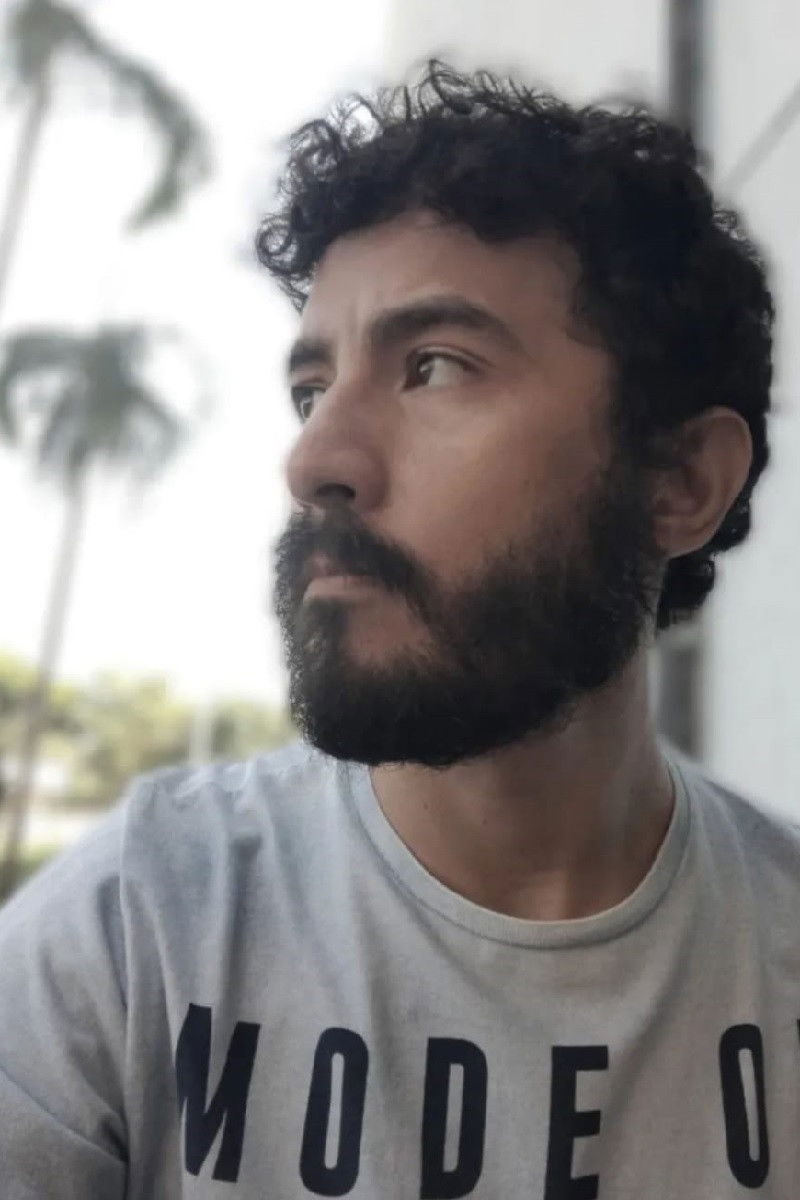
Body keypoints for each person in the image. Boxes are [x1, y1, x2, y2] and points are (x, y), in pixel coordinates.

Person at [0, 59, 797, 1199]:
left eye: (433, 368)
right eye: (311, 389)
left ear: (679, 481)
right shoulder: (136, 936)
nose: (316, 459)